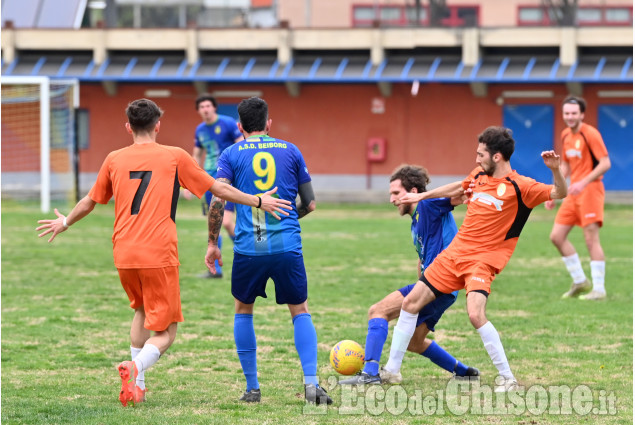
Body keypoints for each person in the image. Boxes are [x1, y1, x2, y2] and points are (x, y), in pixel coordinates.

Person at [35, 99, 291, 407]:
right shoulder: (174, 156)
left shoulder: (114, 159)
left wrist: (64, 221)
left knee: (142, 311)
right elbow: (218, 190)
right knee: (167, 331)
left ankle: (137, 388)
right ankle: (136, 368)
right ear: (158, 125)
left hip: (123, 252)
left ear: (128, 127)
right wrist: (259, 201)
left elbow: (90, 201)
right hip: (158, 253)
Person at [382, 126, 567, 393]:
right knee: (410, 303)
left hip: (483, 260)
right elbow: (460, 186)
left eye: (481, 154)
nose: (476, 158)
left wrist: (555, 170)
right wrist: (422, 195)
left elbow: (560, 193)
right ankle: (392, 371)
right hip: (454, 254)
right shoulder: (479, 174)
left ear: (497, 157)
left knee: (475, 314)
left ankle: (508, 378)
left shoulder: (521, 186)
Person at [207, 96, 332, 405]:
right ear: (268, 124)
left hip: (250, 247)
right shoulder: (290, 150)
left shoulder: (231, 153)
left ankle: (252, 389)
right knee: (299, 310)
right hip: (287, 247)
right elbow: (311, 203)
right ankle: (312, 386)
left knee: (243, 310)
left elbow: (218, 200)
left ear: (239, 126)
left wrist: (212, 243)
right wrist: (289, 217)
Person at [339, 164, 479, 385]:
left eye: (396, 193)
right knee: (414, 341)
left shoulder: (428, 204)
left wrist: (430, 194)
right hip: (441, 288)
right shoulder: (416, 221)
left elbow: (461, 192)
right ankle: (464, 372)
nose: (392, 199)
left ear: (414, 192)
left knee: (378, 310)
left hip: (439, 284)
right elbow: (423, 256)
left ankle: (370, 373)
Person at [545, 95, 611, 301]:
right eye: (567, 113)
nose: (570, 117)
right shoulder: (566, 135)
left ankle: (599, 289)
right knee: (556, 236)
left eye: (574, 113)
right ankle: (580, 281)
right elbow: (564, 165)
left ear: (582, 114)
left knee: (591, 239)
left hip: (590, 190)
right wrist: (554, 191)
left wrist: (583, 181)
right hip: (572, 193)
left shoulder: (590, 134)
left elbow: (605, 163)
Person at [186, 94, 244, 279]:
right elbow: (196, 155)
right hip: (208, 181)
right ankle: (216, 271)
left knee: (226, 222)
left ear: (214, 108)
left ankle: (249, 254)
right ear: (198, 110)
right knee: (213, 225)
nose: (205, 109)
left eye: (208, 106)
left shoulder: (227, 123)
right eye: (202, 106)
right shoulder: (200, 129)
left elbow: (240, 146)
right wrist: (189, 182)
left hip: (227, 180)